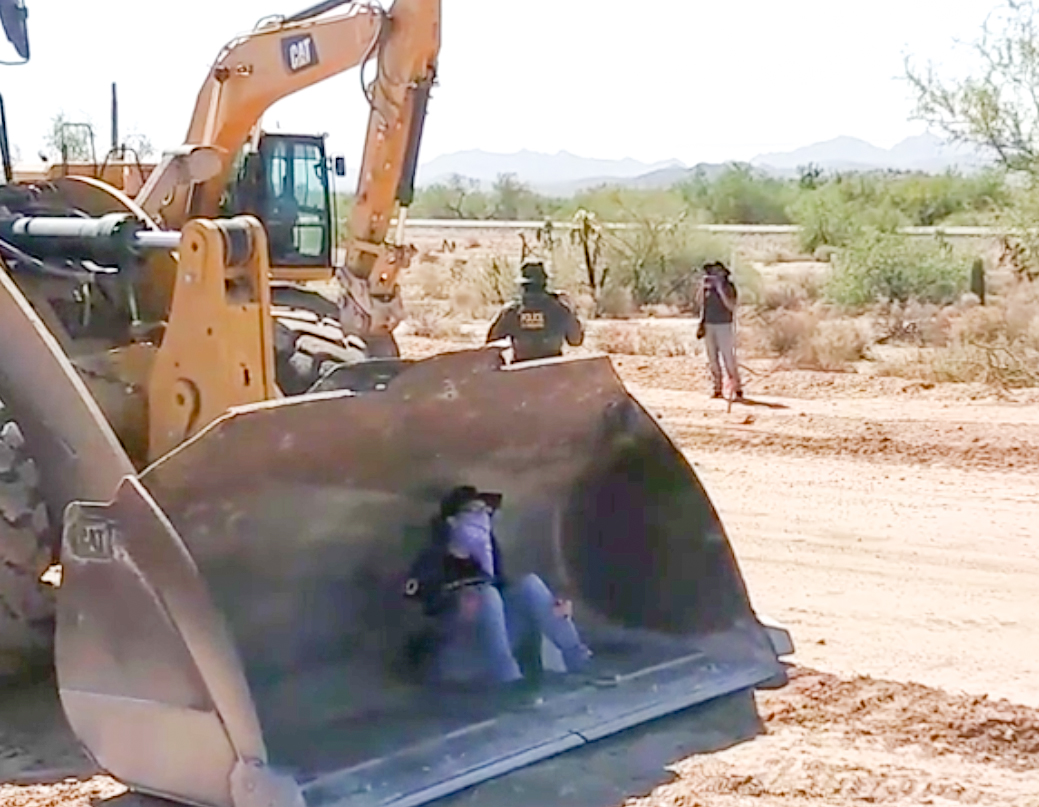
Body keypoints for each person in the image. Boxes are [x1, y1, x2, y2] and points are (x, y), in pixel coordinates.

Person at [404, 485, 592, 686]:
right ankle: (509, 683)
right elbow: (413, 610)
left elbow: (506, 597)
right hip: (455, 654)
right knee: (487, 595)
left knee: (530, 584)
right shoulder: (432, 559)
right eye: (474, 512)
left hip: (493, 646)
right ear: (452, 521)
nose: (482, 519)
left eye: (486, 512)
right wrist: (454, 607)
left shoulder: (487, 556)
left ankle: (579, 661)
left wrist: (553, 607)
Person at [486, 262, 584, 362]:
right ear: (544, 284)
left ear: (523, 286)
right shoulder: (559, 309)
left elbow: (490, 343)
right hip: (554, 372)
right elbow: (576, 340)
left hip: (519, 373)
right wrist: (572, 309)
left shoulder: (512, 311)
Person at [696, 261, 743, 400]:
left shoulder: (729, 287)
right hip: (709, 324)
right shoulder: (707, 289)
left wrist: (720, 289)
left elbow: (731, 306)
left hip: (724, 325)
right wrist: (702, 288)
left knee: (728, 358)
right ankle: (717, 387)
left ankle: (736, 387)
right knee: (712, 358)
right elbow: (701, 304)